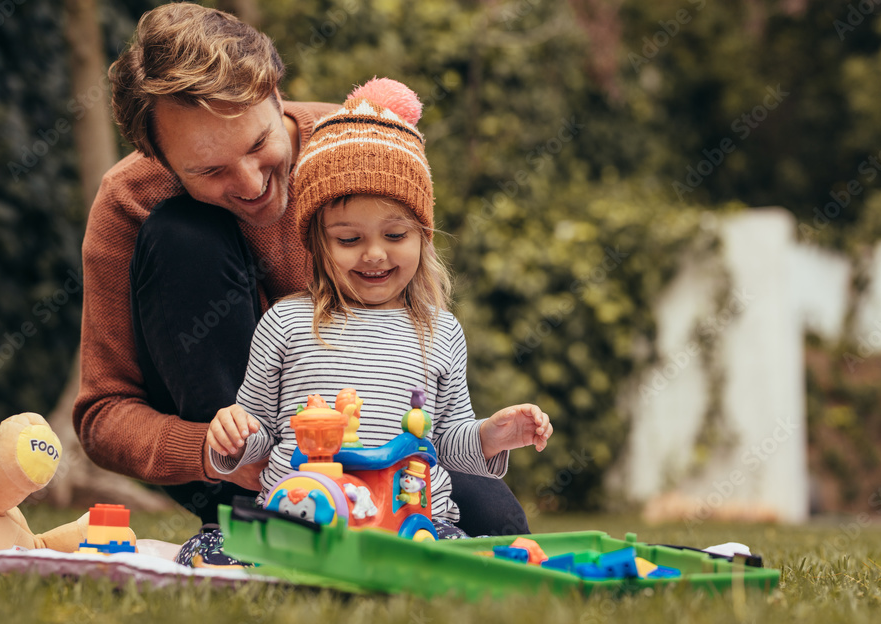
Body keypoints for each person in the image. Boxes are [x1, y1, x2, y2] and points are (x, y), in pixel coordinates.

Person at [72, 3, 533, 535]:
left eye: (258, 144)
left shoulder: (353, 148)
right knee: (181, 231)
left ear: (275, 94)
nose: (249, 183)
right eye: (210, 170)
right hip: (236, 451)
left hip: (375, 431)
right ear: (159, 158)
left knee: (499, 527)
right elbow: (103, 413)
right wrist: (215, 450)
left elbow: (413, 328)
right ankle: (248, 518)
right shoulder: (128, 200)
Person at [205, 78, 553, 538]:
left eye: (395, 235)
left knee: (472, 555)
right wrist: (230, 436)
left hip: (412, 520)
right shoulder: (286, 323)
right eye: (349, 239)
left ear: (423, 235)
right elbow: (260, 433)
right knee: (209, 549)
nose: (373, 254)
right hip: (304, 519)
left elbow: (447, 445)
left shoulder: (440, 330)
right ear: (317, 242)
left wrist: (492, 435)